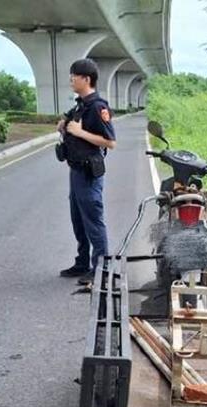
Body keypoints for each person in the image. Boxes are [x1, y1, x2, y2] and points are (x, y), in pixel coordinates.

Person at [56, 58, 117, 284]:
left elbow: (110, 142)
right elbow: (71, 123)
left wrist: (80, 133)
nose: (71, 79)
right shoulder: (80, 105)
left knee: (93, 220)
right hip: (76, 171)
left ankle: (100, 268)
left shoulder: (98, 107)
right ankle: (82, 262)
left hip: (89, 174)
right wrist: (64, 123)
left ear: (86, 79)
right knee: (78, 219)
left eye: (74, 75)